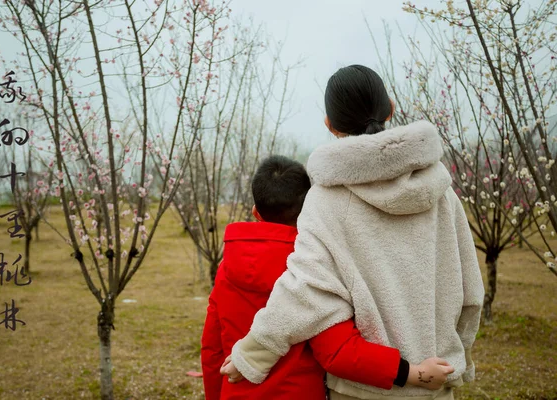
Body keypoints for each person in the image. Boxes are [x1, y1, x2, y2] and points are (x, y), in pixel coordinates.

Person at [221, 65, 485, 400]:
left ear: (330, 125)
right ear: (389, 107)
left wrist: (252, 353)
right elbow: (470, 293)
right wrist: (456, 360)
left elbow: (306, 289)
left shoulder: (326, 199)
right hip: (435, 383)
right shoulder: (442, 194)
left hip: (363, 391)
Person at [202, 155, 455, 400]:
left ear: (256, 211)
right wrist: (413, 373)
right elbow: (339, 352)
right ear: (309, 209)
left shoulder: (226, 268)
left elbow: (212, 350)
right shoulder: (314, 271)